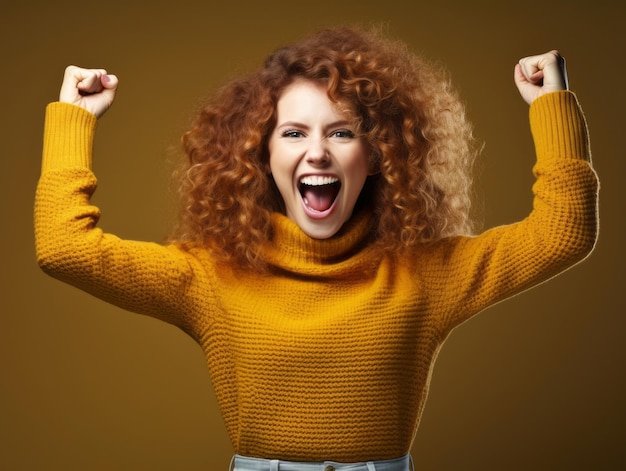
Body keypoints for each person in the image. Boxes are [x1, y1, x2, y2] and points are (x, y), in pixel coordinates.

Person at [34, 26, 598, 471]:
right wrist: (74, 119)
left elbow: (563, 231)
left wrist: (550, 105)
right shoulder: (210, 275)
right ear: (261, 155)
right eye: (295, 132)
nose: (319, 153)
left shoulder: (425, 274)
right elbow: (64, 248)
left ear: (377, 156)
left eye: (342, 132)